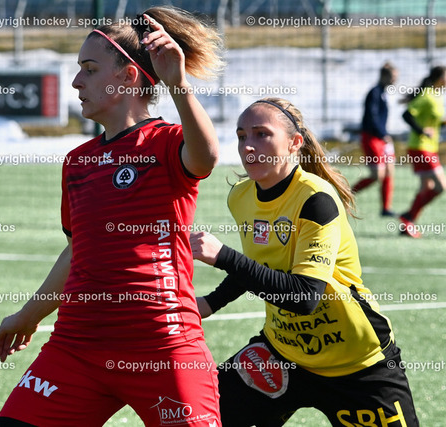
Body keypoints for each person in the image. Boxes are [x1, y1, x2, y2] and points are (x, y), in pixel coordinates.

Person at [0, 6, 225, 426]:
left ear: (128, 77)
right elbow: (77, 251)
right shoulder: (77, 162)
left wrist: (179, 84)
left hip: (162, 346)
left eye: (90, 69)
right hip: (77, 347)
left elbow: (205, 157)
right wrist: (29, 315)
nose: (77, 81)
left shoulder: (167, 144)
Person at [190, 98, 419, 426]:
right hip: (283, 353)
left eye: (261, 134)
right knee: (204, 415)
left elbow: (305, 297)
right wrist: (210, 302)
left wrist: (224, 256)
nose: (248, 146)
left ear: (294, 142)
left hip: (357, 363)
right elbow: (261, 265)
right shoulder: (240, 196)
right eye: (242, 136)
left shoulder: (316, 200)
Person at [399, 65, 446, 238]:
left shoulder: (436, 96)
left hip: (429, 148)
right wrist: (422, 131)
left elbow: (431, 120)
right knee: (441, 186)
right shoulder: (426, 95)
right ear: (440, 78)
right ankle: (408, 216)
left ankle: (407, 226)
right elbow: (406, 115)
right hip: (420, 147)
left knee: (426, 187)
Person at [352, 62, 398, 216]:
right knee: (376, 175)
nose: (394, 81)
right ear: (384, 76)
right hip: (372, 137)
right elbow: (372, 116)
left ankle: (386, 208)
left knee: (389, 170)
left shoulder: (384, 93)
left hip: (382, 138)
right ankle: (346, 194)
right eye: (392, 77)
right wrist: (381, 133)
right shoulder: (374, 92)